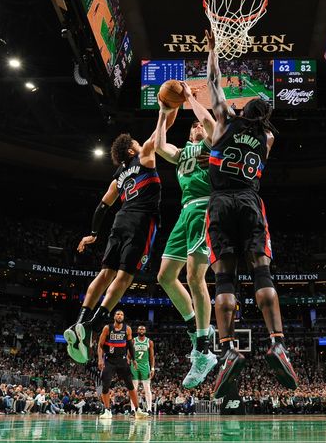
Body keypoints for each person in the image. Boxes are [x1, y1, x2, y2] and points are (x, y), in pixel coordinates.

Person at [203, 28, 298, 399]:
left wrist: (213, 50)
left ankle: (228, 348)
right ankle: (277, 343)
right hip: (250, 201)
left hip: (221, 201)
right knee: (261, 270)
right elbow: (264, 128)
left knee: (224, 279)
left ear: (243, 109)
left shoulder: (226, 118)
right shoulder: (269, 139)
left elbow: (212, 81)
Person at [64, 132, 161, 363]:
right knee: (126, 276)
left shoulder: (118, 177)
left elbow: (101, 207)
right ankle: (92, 325)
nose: (140, 144)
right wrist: (169, 106)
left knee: (105, 273)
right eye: (136, 143)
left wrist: (94, 234)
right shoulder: (145, 156)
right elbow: (161, 128)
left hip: (120, 220)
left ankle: (80, 321)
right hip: (141, 220)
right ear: (130, 150)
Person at [153, 89, 218, 387]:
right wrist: (164, 112)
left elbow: (210, 123)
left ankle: (204, 349)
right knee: (165, 277)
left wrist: (192, 99)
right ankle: (196, 328)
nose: (196, 126)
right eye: (193, 126)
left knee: (195, 278)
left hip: (204, 208)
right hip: (184, 213)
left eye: (199, 125)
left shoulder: (211, 144)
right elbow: (159, 145)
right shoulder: (181, 154)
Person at [97, 310, 148, 419]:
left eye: (121, 314)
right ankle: (107, 410)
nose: (119, 316)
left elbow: (130, 345)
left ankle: (138, 410)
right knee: (105, 386)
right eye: (117, 314)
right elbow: (100, 345)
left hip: (123, 361)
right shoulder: (107, 328)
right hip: (109, 360)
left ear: (123, 317)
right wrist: (100, 360)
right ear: (114, 316)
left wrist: (134, 359)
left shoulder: (127, 329)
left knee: (130, 385)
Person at [130, 325, 155, 413]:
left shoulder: (149, 342)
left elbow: (152, 356)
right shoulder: (133, 341)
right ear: (137, 330)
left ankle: (149, 409)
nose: (141, 330)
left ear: (145, 331)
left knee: (147, 388)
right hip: (135, 365)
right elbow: (129, 355)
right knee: (134, 388)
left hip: (145, 366)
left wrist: (152, 368)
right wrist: (129, 364)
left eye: (143, 329)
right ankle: (133, 409)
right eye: (140, 329)